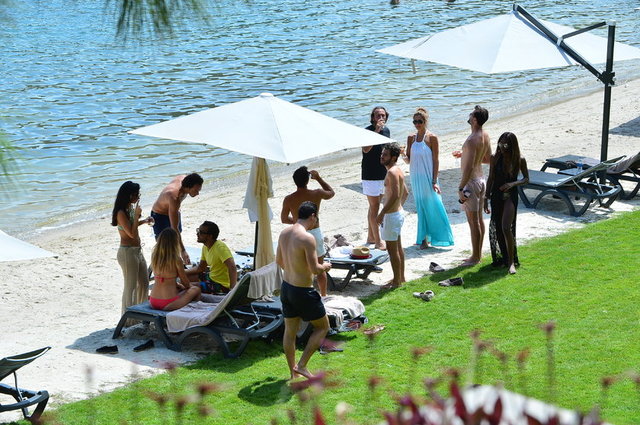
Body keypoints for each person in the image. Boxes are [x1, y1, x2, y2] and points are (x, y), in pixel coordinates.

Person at [277, 201, 332, 380]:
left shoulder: (284, 233)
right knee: (323, 327)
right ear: (313, 216)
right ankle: (301, 366)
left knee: (290, 332)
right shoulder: (307, 238)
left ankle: (292, 374)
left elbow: (279, 261)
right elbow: (315, 269)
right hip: (302, 291)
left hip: (286, 287)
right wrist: (325, 266)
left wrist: (294, 269)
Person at [403, 108, 454, 249]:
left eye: (419, 121)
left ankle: (440, 236)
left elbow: (436, 161)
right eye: (414, 122)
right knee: (421, 206)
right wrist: (402, 154)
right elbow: (408, 160)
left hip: (428, 177)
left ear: (425, 121)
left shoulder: (432, 138)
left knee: (433, 205)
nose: (417, 124)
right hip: (416, 177)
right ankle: (423, 239)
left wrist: (434, 180)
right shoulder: (411, 138)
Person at [281, 166, 334, 296]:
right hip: (315, 232)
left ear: (294, 181)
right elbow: (331, 192)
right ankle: (323, 295)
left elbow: (284, 219)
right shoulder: (316, 193)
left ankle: (303, 290)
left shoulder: (289, 199)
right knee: (320, 266)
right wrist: (319, 178)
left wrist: (297, 222)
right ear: (308, 180)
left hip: (297, 234)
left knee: (300, 265)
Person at [484, 132, 529, 274]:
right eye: (500, 144)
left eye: (505, 145)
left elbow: (526, 179)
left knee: (506, 227)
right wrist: (486, 197)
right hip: (496, 195)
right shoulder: (495, 157)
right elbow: (491, 177)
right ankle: (504, 259)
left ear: (512, 145)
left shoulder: (519, 159)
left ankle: (511, 262)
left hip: (511, 195)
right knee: (498, 228)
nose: (502, 147)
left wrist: (512, 183)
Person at [453, 105, 491, 266]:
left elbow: (468, 169)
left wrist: (460, 188)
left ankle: (475, 257)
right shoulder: (485, 135)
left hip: (471, 182)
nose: (469, 116)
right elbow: (487, 158)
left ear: (474, 119)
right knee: (479, 220)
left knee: (473, 221)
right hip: (481, 180)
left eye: (471, 114)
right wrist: (465, 155)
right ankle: (477, 254)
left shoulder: (470, 140)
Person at [111, 181, 152, 316]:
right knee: (131, 287)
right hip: (127, 252)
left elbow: (131, 226)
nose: (138, 197)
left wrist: (143, 221)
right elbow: (131, 234)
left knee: (144, 283)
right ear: (129, 195)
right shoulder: (121, 213)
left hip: (137, 251)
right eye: (136, 194)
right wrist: (136, 216)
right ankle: (128, 318)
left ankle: (141, 313)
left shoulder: (129, 208)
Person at [151, 173, 204, 264]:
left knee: (175, 240)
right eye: (196, 190)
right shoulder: (174, 197)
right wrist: (183, 251)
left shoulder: (184, 179)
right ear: (188, 187)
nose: (197, 193)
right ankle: (156, 264)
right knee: (163, 244)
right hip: (159, 215)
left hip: (173, 209)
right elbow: (174, 228)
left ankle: (174, 261)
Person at [377, 143, 409, 289]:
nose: (382, 156)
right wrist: (398, 208)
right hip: (397, 213)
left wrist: (382, 213)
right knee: (398, 247)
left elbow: (396, 194)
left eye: (385, 155)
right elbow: (405, 192)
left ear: (394, 157)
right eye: (382, 154)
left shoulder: (391, 172)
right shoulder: (397, 170)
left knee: (392, 249)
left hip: (392, 216)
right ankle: (400, 277)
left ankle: (396, 281)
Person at [149, 228, 201, 311]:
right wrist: (191, 287)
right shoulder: (176, 259)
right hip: (168, 303)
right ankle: (193, 312)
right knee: (196, 289)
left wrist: (177, 285)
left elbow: (164, 279)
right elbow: (186, 283)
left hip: (153, 301)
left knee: (181, 288)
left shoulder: (155, 257)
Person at [362, 106, 391, 250]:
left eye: (383, 115)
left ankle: (371, 237)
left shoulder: (387, 130)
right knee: (374, 207)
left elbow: (386, 151)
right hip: (370, 174)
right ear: (373, 117)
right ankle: (378, 241)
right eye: (378, 115)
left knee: (376, 205)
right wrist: (376, 131)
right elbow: (365, 149)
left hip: (383, 173)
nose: (381, 118)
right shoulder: (367, 131)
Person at [186, 221, 238, 293]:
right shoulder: (205, 247)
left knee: (188, 286)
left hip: (221, 285)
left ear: (210, 236)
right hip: (211, 278)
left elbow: (232, 267)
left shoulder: (220, 247)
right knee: (186, 277)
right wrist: (182, 272)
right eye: (198, 230)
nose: (197, 234)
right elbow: (200, 268)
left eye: (201, 232)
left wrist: (232, 290)